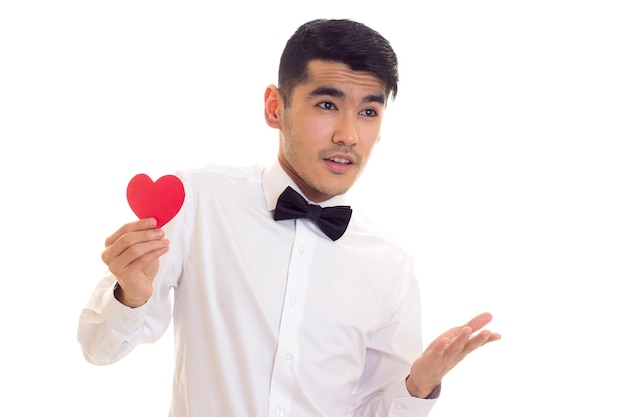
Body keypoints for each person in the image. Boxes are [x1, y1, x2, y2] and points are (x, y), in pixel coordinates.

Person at [77, 18, 500, 417]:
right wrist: (130, 294)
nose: (348, 135)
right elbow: (99, 348)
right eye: (328, 104)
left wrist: (417, 387)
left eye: (369, 111)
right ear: (275, 107)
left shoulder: (390, 263)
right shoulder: (199, 200)